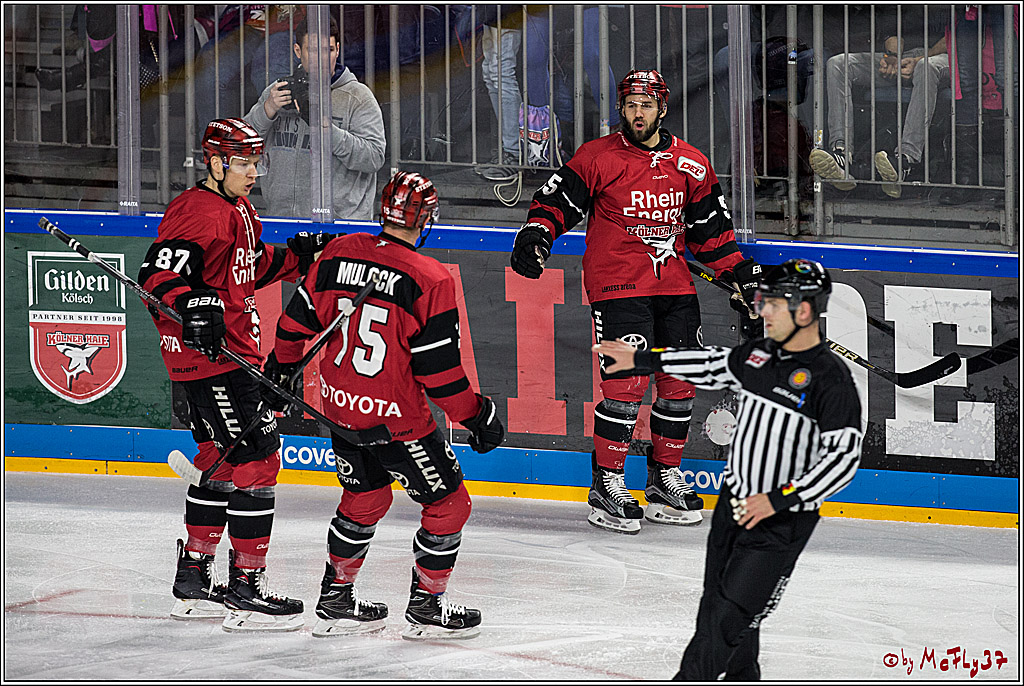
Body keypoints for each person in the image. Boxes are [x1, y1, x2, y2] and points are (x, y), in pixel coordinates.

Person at [509, 69, 762, 534]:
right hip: (618, 288)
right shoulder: (597, 157)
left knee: (680, 384)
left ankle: (664, 478)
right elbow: (555, 204)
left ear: (662, 109)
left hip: (675, 289)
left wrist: (742, 274)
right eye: (630, 105)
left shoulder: (692, 164)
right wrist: (537, 234)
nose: (638, 113)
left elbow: (712, 236)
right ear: (622, 109)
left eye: (646, 105)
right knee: (625, 387)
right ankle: (607, 483)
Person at [593, 259, 863, 680]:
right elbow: (711, 363)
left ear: (805, 311)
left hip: (778, 521)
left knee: (725, 623)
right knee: (718, 614)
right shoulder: (759, 356)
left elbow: (842, 459)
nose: (762, 310)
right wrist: (640, 359)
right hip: (733, 508)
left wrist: (779, 499)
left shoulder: (831, 380)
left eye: (774, 303)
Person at [266, 171, 505, 639]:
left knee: (366, 497)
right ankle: (427, 608)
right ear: (427, 219)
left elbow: (292, 326)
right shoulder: (430, 278)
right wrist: (477, 416)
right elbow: (439, 376)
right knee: (449, 504)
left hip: (338, 411)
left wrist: (281, 370)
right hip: (398, 422)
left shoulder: (337, 252)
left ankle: (337, 598)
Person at [138, 118, 333, 632]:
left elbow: (247, 268)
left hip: (226, 357)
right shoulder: (197, 212)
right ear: (216, 162)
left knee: (218, 462)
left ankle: (193, 578)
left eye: (255, 162)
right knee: (259, 462)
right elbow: (157, 275)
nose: (253, 172)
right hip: (215, 361)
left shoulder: (239, 209)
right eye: (243, 163)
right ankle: (246, 586)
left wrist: (295, 259)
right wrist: (191, 304)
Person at [245, 16, 385, 220]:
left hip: (338, 226)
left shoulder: (358, 97)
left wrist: (326, 129)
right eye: (313, 50)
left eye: (328, 50)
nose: (321, 58)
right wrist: (267, 110)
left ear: (338, 50)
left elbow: (374, 158)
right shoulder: (278, 91)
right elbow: (240, 144)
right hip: (283, 220)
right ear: (297, 51)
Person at [809, 7, 950, 197]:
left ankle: (905, 160)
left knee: (926, 67)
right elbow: (892, 29)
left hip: (947, 57)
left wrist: (919, 59)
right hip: (908, 57)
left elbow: (958, 35)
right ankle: (842, 154)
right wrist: (891, 57)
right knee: (838, 64)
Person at [475, 5, 525, 183]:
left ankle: (515, 152)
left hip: (507, 12)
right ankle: (509, 150)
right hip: (491, 12)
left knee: (502, 73)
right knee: (491, 74)